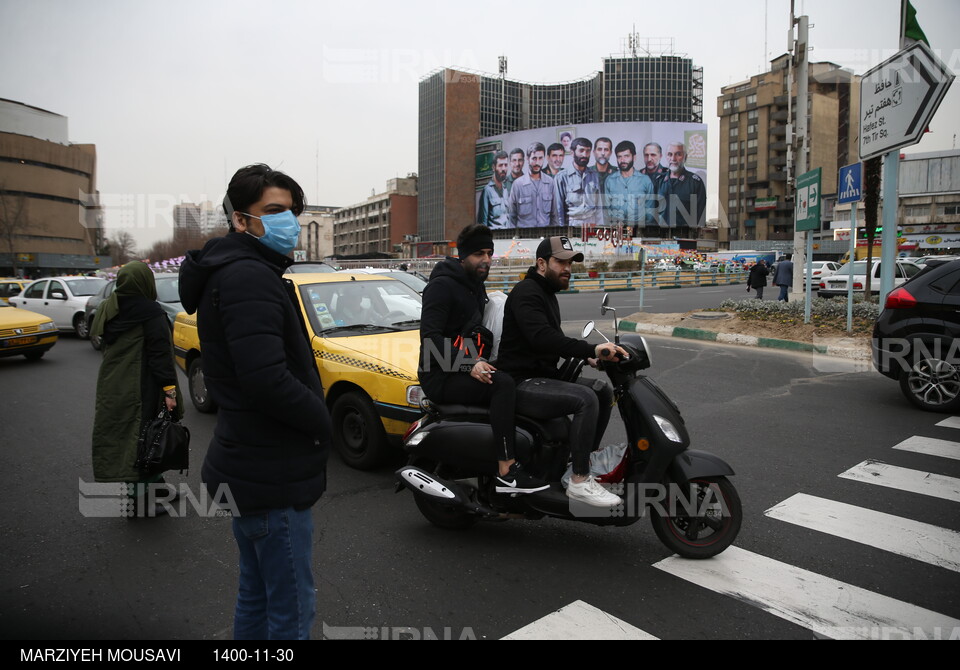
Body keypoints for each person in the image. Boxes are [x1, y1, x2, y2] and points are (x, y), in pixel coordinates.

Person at [179, 163, 331, 640]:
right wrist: (320, 419)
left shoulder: (237, 271)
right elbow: (267, 380)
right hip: (271, 473)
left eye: (292, 212)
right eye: (274, 211)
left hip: (249, 463)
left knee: (257, 593)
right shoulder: (250, 277)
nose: (288, 221)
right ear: (240, 220)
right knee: (290, 607)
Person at [497, 236, 627, 507]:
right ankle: (580, 481)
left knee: (601, 391)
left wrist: (591, 358)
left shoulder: (545, 292)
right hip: (522, 382)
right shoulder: (527, 292)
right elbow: (541, 338)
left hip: (541, 376)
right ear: (542, 263)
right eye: (560, 262)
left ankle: (581, 460)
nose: (567, 268)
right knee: (585, 399)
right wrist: (591, 349)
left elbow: (554, 339)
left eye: (570, 262)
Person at [419, 224, 547, 494]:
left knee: (512, 374)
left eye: (489, 253)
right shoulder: (441, 286)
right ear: (462, 255)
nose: (487, 260)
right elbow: (430, 339)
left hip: (463, 364)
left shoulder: (474, 285)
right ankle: (506, 468)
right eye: (479, 254)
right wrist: (469, 364)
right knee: (502, 384)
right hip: (440, 374)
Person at [91, 261, 182, 517]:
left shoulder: (108, 307)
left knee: (134, 434)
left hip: (113, 383)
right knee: (144, 436)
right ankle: (139, 504)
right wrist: (170, 393)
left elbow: (99, 339)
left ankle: (158, 488)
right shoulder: (151, 313)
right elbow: (160, 358)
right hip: (143, 385)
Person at [604, 140, 656, 231]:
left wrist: (643, 229)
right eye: (619, 157)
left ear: (634, 157)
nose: (622, 160)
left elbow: (650, 209)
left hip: (639, 230)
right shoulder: (610, 180)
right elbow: (606, 209)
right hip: (616, 230)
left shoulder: (645, 180)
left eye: (626, 156)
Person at [554, 138, 604, 228]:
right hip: (572, 224)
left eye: (587, 151)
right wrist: (562, 230)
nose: (584, 155)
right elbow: (558, 209)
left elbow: (599, 207)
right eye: (581, 150)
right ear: (572, 152)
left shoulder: (594, 175)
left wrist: (600, 227)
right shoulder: (561, 177)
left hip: (591, 224)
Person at [506, 142, 556, 229]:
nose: (537, 162)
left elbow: (555, 215)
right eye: (534, 158)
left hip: (546, 235)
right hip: (524, 237)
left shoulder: (550, 183)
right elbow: (511, 216)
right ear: (528, 158)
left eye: (540, 158)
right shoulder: (518, 184)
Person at [657, 142, 706, 229]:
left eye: (678, 154)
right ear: (666, 157)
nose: (673, 158)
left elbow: (699, 217)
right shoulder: (658, 182)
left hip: (684, 238)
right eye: (670, 154)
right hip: (660, 238)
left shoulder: (695, 183)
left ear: (685, 157)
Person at [478, 151, 510, 229]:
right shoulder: (487, 191)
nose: (503, 169)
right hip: (494, 237)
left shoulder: (506, 190)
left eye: (505, 165)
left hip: (506, 237)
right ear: (493, 167)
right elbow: (483, 223)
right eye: (500, 165)